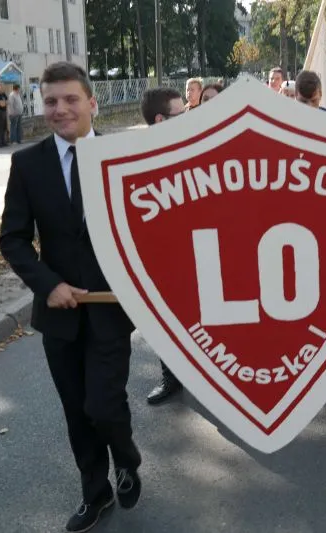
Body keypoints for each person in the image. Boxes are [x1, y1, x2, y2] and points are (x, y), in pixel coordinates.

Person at [0, 62, 142, 533]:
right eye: (50, 101)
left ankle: (126, 460)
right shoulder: (27, 164)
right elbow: (13, 238)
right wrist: (48, 284)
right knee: (77, 412)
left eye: (70, 99)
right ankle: (94, 494)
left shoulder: (125, 158)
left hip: (111, 310)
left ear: (92, 103)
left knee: (104, 405)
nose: (59, 109)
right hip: (59, 315)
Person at [140, 87, 185, 405]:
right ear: (160, 120)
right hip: (160, 256)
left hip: (198, 250)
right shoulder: (136, 158)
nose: (186, 118)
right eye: (180, 114)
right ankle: (171, 378)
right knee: (164, 321)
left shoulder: (193, 146)